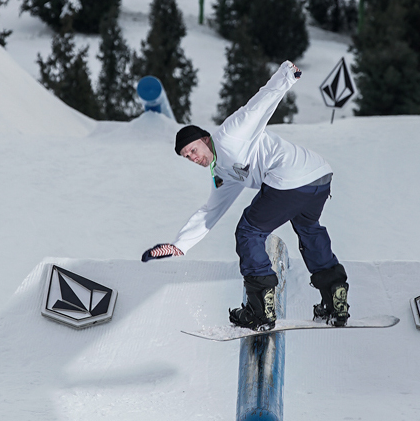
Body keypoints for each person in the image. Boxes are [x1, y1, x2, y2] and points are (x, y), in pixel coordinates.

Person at [142, 60, 350, 332]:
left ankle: (260, 310)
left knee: (248, 231)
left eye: (193, 150)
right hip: (318, 178)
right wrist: (179, 245)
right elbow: (210, 210)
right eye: (186, 157)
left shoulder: (230, 134)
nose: (192, 158)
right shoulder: (222, 173)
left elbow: (259, 105)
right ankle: (335, 299)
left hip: (291, 177)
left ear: (204, 139)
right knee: (308, 227)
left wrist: (286, 75)